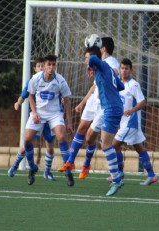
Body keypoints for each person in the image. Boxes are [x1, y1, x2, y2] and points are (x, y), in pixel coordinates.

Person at [59, 46, 124, 196]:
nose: (87, 62)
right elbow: (120, 86)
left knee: (106, 144)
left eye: (87, 59)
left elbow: (95, 58)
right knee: (105, 144)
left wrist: (92, 63)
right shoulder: (106, 69)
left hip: (111, 108)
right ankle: (117, 176)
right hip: (114, 107)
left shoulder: (101, 65)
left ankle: (117, 179)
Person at [24, 54, 74, 186]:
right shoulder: (35, 79)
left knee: (62, 137)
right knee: (27, 139)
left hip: (54, 113)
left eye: (53, 64)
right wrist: (34, 112)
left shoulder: (60, 81)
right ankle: (32, 168)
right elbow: (31, 96)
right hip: (39, 113)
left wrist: (69, 122)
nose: (51, 67)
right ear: (44, 66)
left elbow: (67, 101)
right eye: (49, 65)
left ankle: (68, 172)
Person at [110, 58, 158, 185]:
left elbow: (143, 102)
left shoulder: (134, 84)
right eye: (122, 68)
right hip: (124, 122)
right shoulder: (119, 84)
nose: (124, 71)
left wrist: (132, 110)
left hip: (131, 122)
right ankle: (152, 175)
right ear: (119, 70)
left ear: (131, 70)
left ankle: (119, 172)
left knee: (114, 145)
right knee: (139, 148)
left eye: (126, 68)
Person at [8, 57, 57, 181]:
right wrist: (18, 103)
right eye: (39, 66)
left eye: (42, 66)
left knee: (50, 146)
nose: (41, 68)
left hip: (49, 118)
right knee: (26, 143)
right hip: (36, 119)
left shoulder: (53, 81)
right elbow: (24, 95)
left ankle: (47, 171)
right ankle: (15, 166)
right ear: (35, 68)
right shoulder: (33, 81)